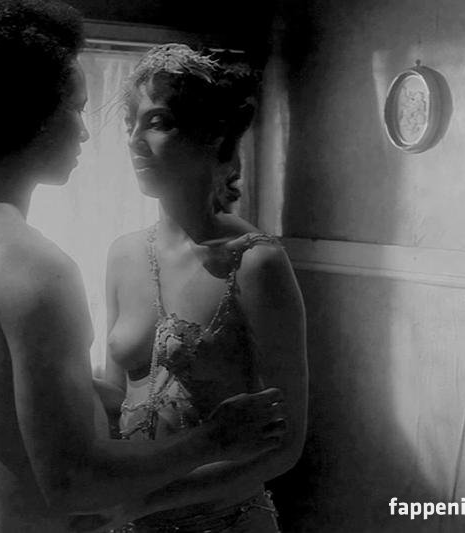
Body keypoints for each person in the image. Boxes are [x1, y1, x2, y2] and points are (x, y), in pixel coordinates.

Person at [0, 1, 288, 531]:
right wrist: (212, 438)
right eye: (74, 109)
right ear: (26, 112)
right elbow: (76, 482)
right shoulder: (33, 267)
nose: (84, 132)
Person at [99, 44, 308, 532]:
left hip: (225, 521)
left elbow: (285, 443)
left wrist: (145, 502)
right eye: (130, 123)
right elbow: (111, 402)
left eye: (157, 122)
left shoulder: (255, 263)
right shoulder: (123, 254)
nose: (135, 140)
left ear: (212, 136)